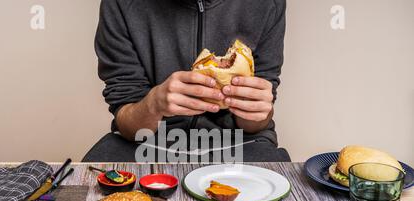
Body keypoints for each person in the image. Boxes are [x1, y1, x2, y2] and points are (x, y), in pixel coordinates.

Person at [82, 0, 290, 162]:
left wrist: (254, 109)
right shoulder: (120, 4)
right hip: (146, 143)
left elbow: (260, 116)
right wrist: (153, 104)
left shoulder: (268, 4)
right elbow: (127, 121)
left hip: (241, 144)